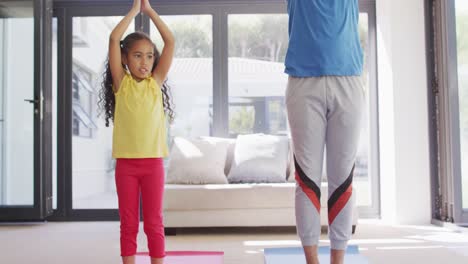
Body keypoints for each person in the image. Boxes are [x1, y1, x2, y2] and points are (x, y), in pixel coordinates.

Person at [284, 1, 364, 264]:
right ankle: (312, 261)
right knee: (307, 178)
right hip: (304, 83)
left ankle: (338, 260)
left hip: (348, 80)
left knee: (343, 178)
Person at [98, 0, 175, 263]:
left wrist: (150, 11)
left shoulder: (155, 83)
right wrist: (133, 10)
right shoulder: (121, 84)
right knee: (128, 222)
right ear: (124, 58)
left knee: (154, 222)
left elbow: (171, 41)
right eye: (137, 55)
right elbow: (114, 37)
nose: (145, 61)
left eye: (150, 55)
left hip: (153, 164)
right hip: (126, 166)